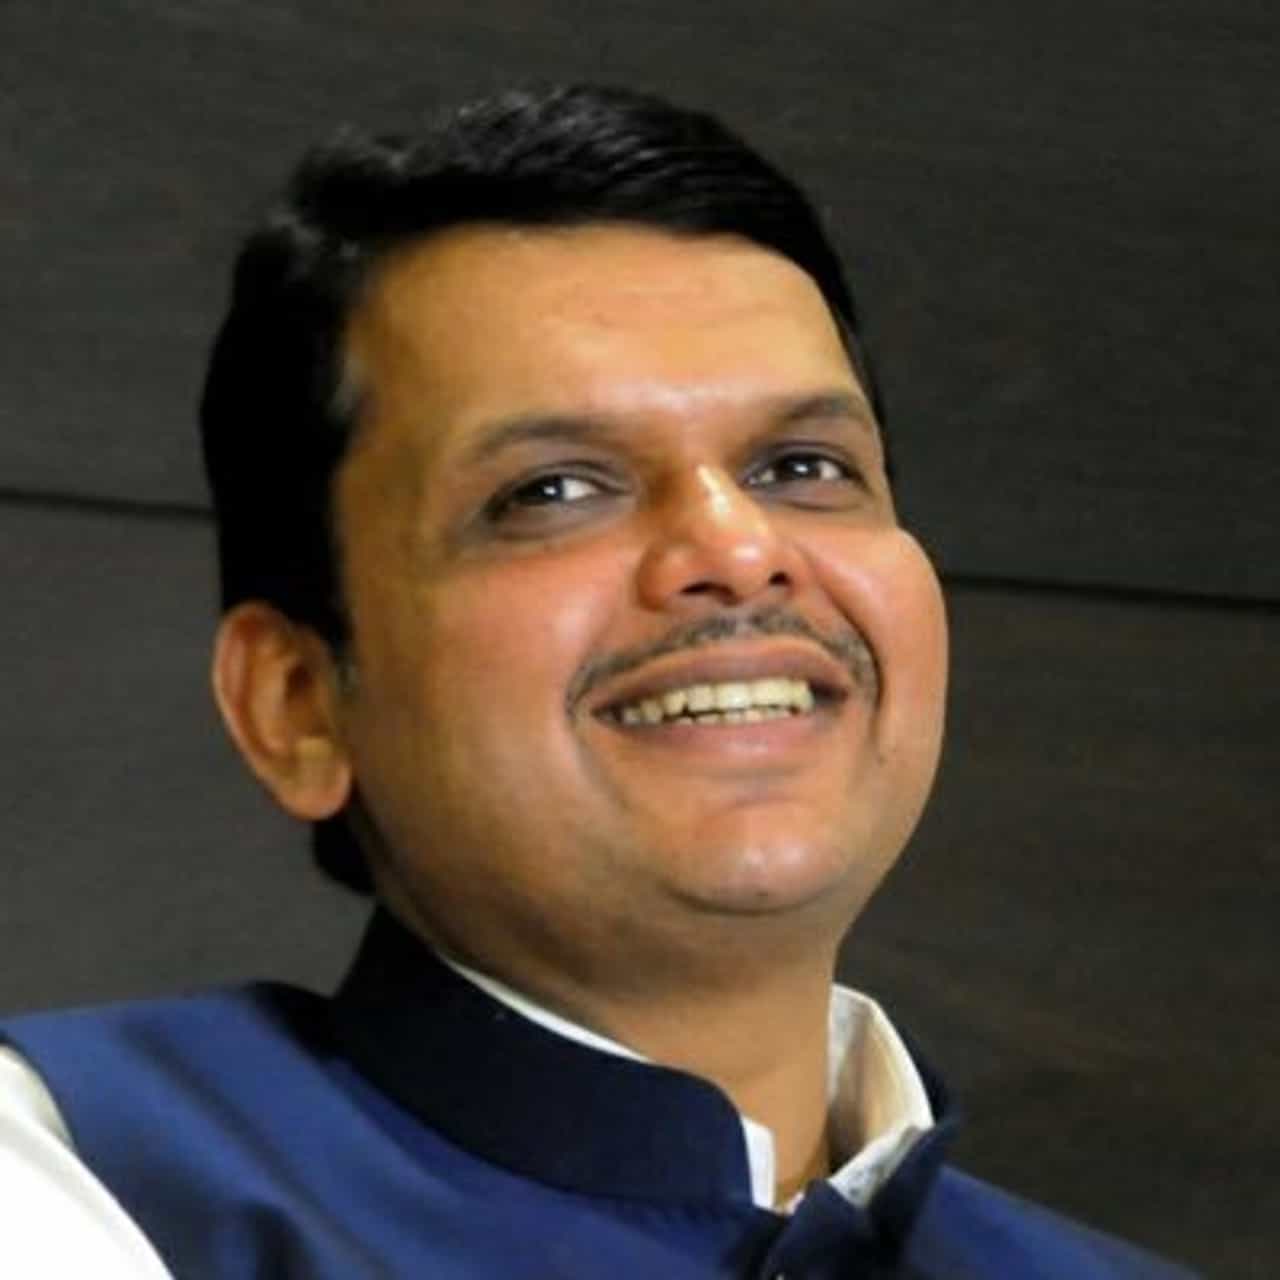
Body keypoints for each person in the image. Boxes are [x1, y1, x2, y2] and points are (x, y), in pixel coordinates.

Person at [0, 84, 1195, 1278]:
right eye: (552, 489)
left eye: (800, 465)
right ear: (297, 703)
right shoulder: (76, 1170)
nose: (736, 548)